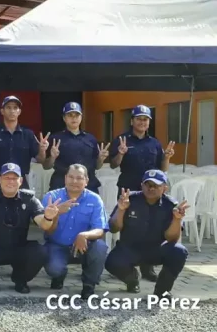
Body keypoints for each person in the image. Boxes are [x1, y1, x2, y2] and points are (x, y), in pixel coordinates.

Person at [108, 104, 174, 282]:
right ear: (132, 121)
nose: (142, 122)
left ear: (149, 122)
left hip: (150, 191)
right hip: (128, 189)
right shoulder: (122, 139)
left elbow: (162, 168)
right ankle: (125, 264)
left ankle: (147, 266)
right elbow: (113, 164)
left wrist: (167, 158)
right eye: (139, 119)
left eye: (146, 119)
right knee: (126, 225)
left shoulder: (154, 142)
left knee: (152, 227)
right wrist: (121, 153)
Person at [105, 170, 189, 299]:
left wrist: (177, 219)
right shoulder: (129, 199)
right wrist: (121, 210)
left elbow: (171, 238)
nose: (151, 188)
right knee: (112, 262)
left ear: (164, 188)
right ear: (141, 185)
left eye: (156, 185)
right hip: (130, 248)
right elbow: (114, 228)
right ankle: (132, 280)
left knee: (179, 251)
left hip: (156, 249)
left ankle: (162, 291)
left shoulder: (171, 205)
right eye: (148, 184)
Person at [0, 163, 56, 293]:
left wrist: (49, 217)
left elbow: (43, 224)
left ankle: (20, 280)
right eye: (7, 178)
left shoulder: (29, 199)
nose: (10, 182)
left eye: (14, 178)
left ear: (21, 181)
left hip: (19, 248)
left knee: (40, 252)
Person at [42, 164, 109, 299]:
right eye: (71, 177)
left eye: (79, 178)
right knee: (54, 269)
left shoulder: (95, 199)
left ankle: (89, 285)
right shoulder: (52, 197)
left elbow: (100, 229)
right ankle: (59, 275)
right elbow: (47, 231)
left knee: (100, 247)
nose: (74, 181)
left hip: (83, 245)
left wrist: (84, 234)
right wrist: (55, 215)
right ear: (65, 178)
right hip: (58, 245)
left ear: (86, 181)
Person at [0, 96, 48, 190]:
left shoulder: (27, 134)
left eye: (15, 108)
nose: (12, 111)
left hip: (20, 180)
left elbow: (40, 160)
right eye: (8, 107)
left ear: (19, 111)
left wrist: (42, 150)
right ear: (2, 111)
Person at [43, 102, 110, 194]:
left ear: (81, 117)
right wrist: (53, 157)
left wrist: (101, 159)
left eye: (77, 115)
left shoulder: (90, 139)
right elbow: (46, 166)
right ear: (64, 118)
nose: (74, 118)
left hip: (88, 187)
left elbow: (97, 166)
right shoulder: (55, 139)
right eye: (70, 115)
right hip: (62, 187)